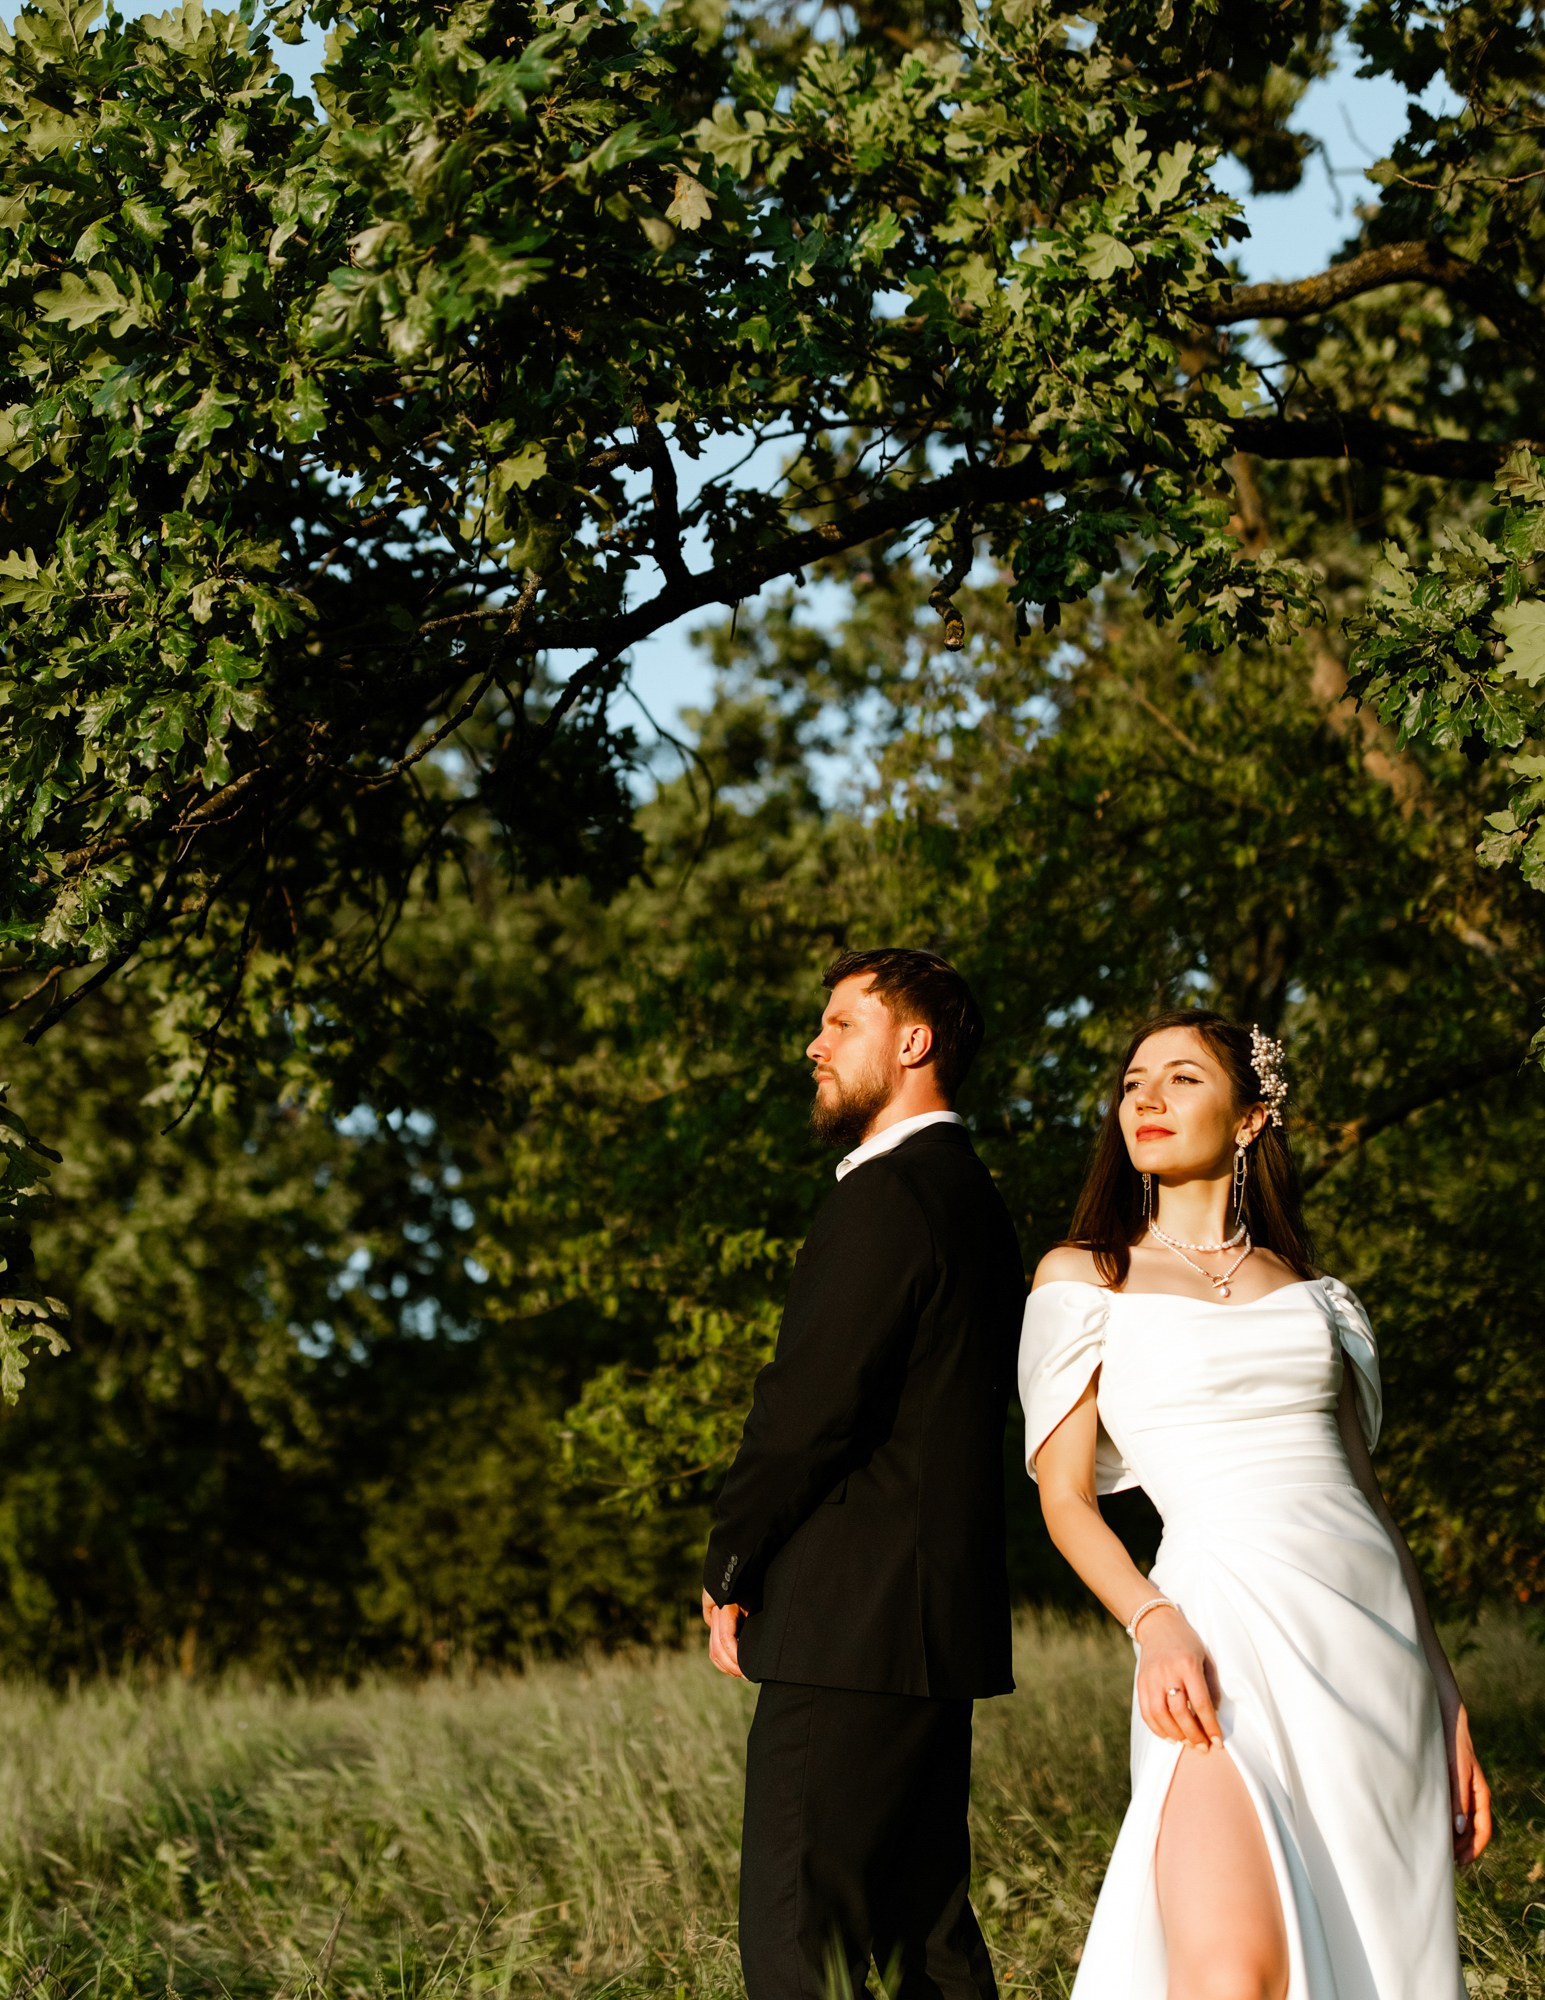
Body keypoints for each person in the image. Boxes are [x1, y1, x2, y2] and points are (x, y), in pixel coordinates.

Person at [1018, 1009, 1491, 2000]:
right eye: (1134, 1079)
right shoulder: (1083, 1278)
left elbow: (1370, 1501)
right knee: (1227, 1973)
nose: (1145, 1097)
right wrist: (1152, 1620)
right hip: (1213, 1629)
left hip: (1372, 1653)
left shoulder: (1321, 1298)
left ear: (1250, 1119)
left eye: (1182, 1078)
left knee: (1370, 1955)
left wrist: (1446, 1698)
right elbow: (1063, 1498)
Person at [702, 947, 1025, 2000]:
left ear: (912, 1042)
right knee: (931, 1933)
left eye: (842, 1023)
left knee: (804, 1936)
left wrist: (732, 1556)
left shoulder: (886, 1196)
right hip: (933, 1628)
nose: (816, 1043)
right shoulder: (976, 1199)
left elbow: (807, 1408)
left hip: (849, 1623)